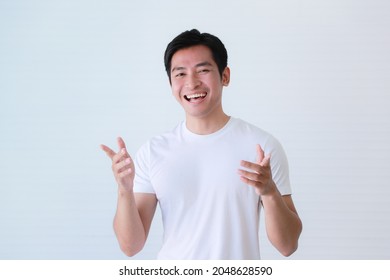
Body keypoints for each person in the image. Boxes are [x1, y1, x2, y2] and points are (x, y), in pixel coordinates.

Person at [101, 29, 302, 259]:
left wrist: (270, 192)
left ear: (225, 76)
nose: (192, 83)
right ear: (170, 83)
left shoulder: (262, 147)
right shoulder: (153, 151)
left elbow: (288, 245)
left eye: (203, 70)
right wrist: (124, 190)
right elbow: (131, 246)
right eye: (180, 74)